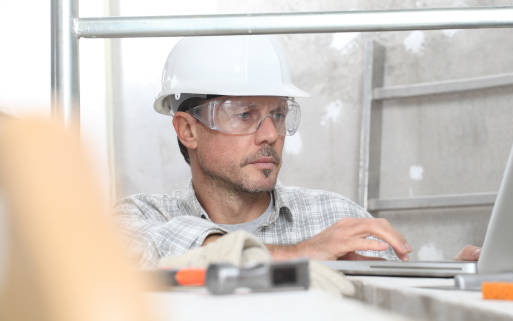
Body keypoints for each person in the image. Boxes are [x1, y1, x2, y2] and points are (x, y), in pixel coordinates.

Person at [115, 36, 480, 268]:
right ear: (188, 130)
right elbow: (137, 255)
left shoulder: (335, 216)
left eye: (278, 114)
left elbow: (392, 299)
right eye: (245, 115)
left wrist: (452, 280)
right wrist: (297, 254)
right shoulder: (145, 216)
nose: (271, 134)